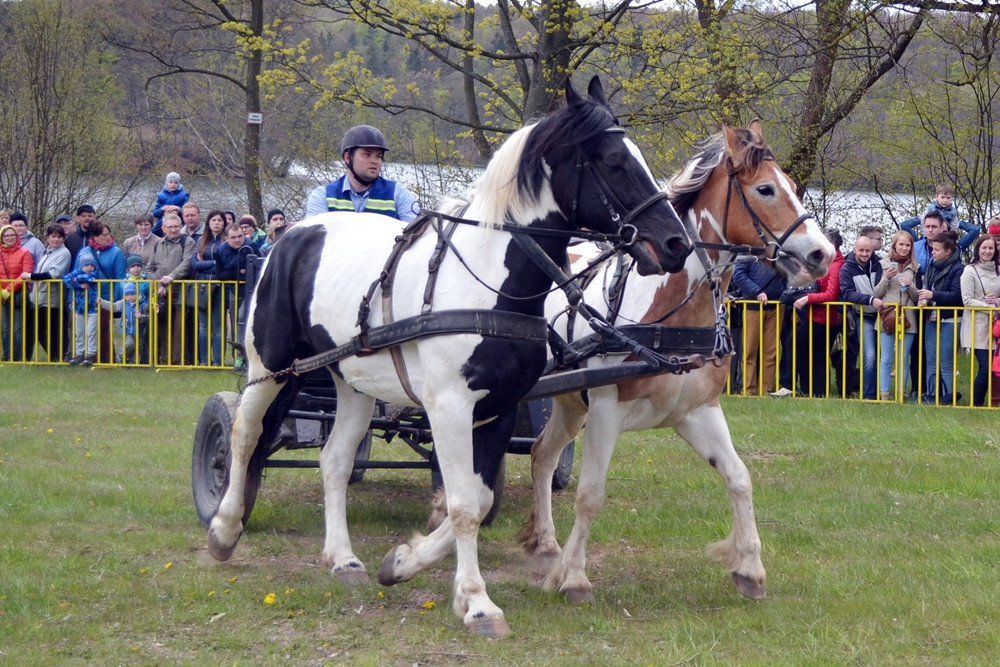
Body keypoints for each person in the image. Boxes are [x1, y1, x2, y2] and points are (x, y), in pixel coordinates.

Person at [304, 125, 420, 221]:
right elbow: (314, 243)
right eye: (367, 154)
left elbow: (418, 234)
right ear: (348, 157)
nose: (375, 161)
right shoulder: (322, 196)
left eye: (379, 156)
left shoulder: (398, 193)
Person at [793, 228, 845, 398]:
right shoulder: (825, 262)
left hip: (825, 318)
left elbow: (831, 294)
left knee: (818, 354)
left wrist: (808, 298)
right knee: (810, 351)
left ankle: (817, 391)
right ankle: (811, 389)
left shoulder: (837, 265)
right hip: (815, 316)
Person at [916, 230, 965, 404]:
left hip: (950, 320)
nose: (933, 253)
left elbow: (957, 297)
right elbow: (927, 289)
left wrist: (933, 295)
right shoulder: (931, 266)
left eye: (937, 250)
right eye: (932, 249)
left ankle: (948, 397)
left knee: (946, 363)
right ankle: (931, 396)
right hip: (932, 318)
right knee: (930, 362)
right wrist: (924, 299)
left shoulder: (959, 269)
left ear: (948, 251)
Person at [873, 232, 919, 401]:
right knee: (886, 358)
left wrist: (911, 285)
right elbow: (876, 293)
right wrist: (886, 278)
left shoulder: (916, 267)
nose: (904, 248)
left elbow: (917, 297)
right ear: (894, 246)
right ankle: (884, 394)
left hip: (908, 319)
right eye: (901, 245)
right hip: (887, 316)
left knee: (903, 359)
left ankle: (901, 394)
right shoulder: (882, 265)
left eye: (907, 245)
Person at [731, 256, 787, 395]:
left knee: (771, 352)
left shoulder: (779, 250)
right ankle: (749, 389)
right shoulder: (747, 251)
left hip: (776, 305)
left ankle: (766, 390)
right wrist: (757, 292)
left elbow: (788, 273)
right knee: (749, 350)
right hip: (752, 306)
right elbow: (738, 275)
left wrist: (785, 294)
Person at [839, 235, 884, 399]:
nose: (865, 254)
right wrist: (871, 300)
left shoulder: (879, 264)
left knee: (882, 357)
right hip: (862, 316)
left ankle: (880, 392)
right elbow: (848, 293)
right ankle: (869, 395)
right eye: (861, 250)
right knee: (869, 356)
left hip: (882, 316)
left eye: (868, 250)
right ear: (854, 249)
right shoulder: (846, 269)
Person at [146, 213, 194, 365]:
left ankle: (179, 361)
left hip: (181, 290)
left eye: (176, 227)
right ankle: (165, 359)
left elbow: (187, 263)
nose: (173, 230)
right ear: (163, 228)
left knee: (179, 327)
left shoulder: (187, 241)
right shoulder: (158, 244)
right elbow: (149, 269)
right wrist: (160, 284)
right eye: (170, 227)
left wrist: (171, 277)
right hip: (161, 292)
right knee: (163, 326)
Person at [960, 236, 1000, 406]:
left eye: (991, 248)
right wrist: (989, 306)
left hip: (996, 327)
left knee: (994, 369)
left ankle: (993, 401)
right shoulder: (969, 270)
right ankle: (976, 404)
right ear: (978, 249)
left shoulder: (998, 270)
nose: (987, 251)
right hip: (977, 327)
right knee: (985, 367)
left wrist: (997, 303)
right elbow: (967, 300)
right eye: (984, 248)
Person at [215, 222, 260, 370]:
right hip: (234, 292)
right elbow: (220, 274)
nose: (237, 240)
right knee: (237, 325)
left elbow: (260, 267)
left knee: (243, 319)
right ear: (226, 238)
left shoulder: (251, 247)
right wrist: (239, 272)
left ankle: (250, 357)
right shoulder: (220, 250)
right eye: (233, 237)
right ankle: (239, 358)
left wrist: (244, 273)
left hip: (252, 292)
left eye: (240, 236)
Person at [29, 224, 73, 362]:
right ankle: (54, 356)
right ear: (47, 237)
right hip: (39, 296)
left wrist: (30, 276)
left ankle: (57, 356)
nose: (56, 239)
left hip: (52, 298)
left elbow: (55, 274)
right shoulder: (48, 251)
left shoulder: (64, 253)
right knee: (39, 328)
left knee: (52, 329)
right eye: (53, 236)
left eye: (59, 237)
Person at [85, 221, 127, 364]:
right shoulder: (86, 251)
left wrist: (115, 302)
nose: (108, 237)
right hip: (88, 297)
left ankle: (107, 359)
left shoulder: (116, 252)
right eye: (104, 235)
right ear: (95, 236)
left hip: (107, 298)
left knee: (102, 328)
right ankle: (94, 357)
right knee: (91, 330)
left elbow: (120, 278)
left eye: (109, 234)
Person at [191, 209, 227, 366]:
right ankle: (205, 360)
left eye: (219, 220)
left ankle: (218, 361)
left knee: (218, 326)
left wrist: (208, 264)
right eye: (213, 220)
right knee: (203, 325)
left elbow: (225, 265)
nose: (217, 223)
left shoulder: (227, 241)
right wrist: (214, 263)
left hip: (220, 286)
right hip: (203, 287)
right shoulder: (201, 241)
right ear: (208, 223)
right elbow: (195, 265)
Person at [902, 184, 979, 253]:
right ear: (936, 197)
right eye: (942, 197)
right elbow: (921, 224)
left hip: (945, 239)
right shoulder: (930, 209)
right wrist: (926, 235)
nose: (945, 200)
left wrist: (956, 226)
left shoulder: (953, 212)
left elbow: (954, 228)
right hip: (927, 238)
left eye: (948, 198)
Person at [0, 224, 34, 361]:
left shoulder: (25, 253)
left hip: (18, 295)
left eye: (12, 235)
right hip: (2, 296)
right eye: (6, 235)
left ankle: (17, 357)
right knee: (5, 328)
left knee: (17, 328)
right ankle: (6, 356)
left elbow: (25, 273)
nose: (9, 238)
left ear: (17, 236)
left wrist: (9, 289)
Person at [63, 248, 100, 366]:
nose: (89, 267)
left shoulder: (94, 274)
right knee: (79, 331)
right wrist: (79, 285)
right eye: (86, 265)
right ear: (81, 265)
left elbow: (90, 278)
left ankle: (90, 354)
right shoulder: (77, 272)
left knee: (91, 331)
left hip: (92, 307)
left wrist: (76, 280)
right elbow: (66, 280)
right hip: (78, 307)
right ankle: (79, 353)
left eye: (91, 265)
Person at [98, 281, 149, 365]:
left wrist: (141, 317)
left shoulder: (144, 305)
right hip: (128, 331)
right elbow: (114, 306)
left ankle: (131, 364)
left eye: (132, 294)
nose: (129, 297)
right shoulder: (124, 303)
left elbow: (148, 318)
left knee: (138, 349)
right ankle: (122, 356)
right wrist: (102, 302)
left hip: (140, 332)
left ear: (137, 293)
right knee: (130, 344)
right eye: (127, 295)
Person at [152, 171, 190, 237]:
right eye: (171, 182)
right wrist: (162, 209)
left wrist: (178, 209)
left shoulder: (184, 195)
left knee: (184, 235)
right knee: (151, 234)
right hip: (162, 222)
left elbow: (187, 212)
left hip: (179, 222)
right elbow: (155, 213)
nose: (173, 184)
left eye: (175, 182)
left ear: (179, 184)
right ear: (167, 183)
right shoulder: (161, 195)